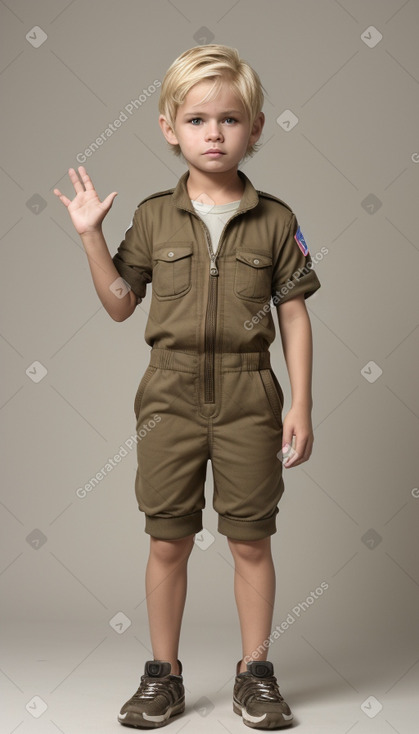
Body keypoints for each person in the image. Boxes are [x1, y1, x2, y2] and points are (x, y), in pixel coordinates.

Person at [54, 44, 321, 730]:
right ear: (170, 127)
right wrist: (92, 237)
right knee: (167, 539)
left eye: (230, 119)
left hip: (248, 395)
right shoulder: (151, 217)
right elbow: (120, 304)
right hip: (167, 398)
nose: (214, 132)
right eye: (197, 119)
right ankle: (162, 677)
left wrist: (300, 402)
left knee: (250, 539)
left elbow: (293, 312)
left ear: (255, 128)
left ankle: (254, 675)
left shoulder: (276, 219)